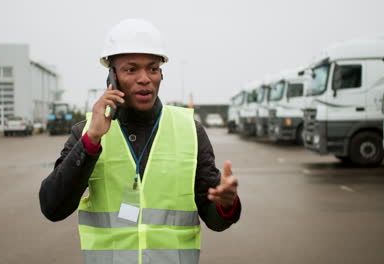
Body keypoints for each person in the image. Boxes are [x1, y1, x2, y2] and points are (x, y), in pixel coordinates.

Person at [39, 18, 241, 264]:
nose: (144, 78)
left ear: (161, 74)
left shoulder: (190, 130)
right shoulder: (87, 132)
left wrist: (226, 204)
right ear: (112, 77)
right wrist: (91, 140)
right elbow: (53, 207)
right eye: (131, 69)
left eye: (153, 68)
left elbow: (215, 220)